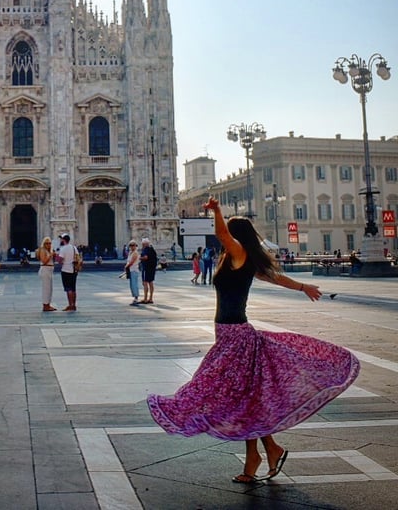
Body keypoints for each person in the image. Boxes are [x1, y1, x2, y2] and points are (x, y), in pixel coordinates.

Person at [147, 197, 360, 484]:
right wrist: (303, 286)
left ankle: (261, 455)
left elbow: (223, 235)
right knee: (246, 399)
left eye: (229, 235)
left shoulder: (237, 253)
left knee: (220, 393)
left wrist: (217, 211)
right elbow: (276, 277)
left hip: (236, 338)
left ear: (236, 237)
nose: (223, 238)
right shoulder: (238, 257)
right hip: (232, 336)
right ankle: (265, 451)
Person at [56, 233, 78, 311]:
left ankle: (70, 305)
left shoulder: (63, 249)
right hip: (74, 270)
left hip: (66, 270)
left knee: (68, 288)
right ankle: (74, 305)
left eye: (61, 239)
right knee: (73, 288)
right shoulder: (74, 247)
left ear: (63, 239)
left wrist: (56, 255)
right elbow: (77, 257)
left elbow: (60, 261)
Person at [36, 236, 57, 311]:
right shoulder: (42, 250)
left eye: (50, 243)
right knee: (46, 289)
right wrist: (51, 255)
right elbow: (44, 261)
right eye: (47, 243)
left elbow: (53, 261)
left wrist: (54, 256)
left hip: (50, 270)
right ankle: (45, 305)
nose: (48, 245)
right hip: (45, 270)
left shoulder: (49, 251)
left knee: (49, 289)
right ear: (44, 244)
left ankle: (48, 304)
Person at [139, 238, 157, 304]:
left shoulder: (145, 250)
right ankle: (151, 298)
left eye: (142, 244)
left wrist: (139, 258)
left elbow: (146, 257)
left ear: (144, 244)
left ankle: (145, 299)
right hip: (152, 269)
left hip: (146, 268)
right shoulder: (152, 249)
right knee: (151, 282)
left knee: (145, 283)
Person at [124, 240, 141, 305]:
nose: (132, 247)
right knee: (132, 284)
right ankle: (134, 297)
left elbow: (132, 262)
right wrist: (126, 266)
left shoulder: (135, 253)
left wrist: (126, 266)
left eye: (133, 245)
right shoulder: (130, 252)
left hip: (134, 270)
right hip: (130, 270)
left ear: (136, 246)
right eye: (131, 245)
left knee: (134, 284)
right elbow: (128, 261)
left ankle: (136, 298)